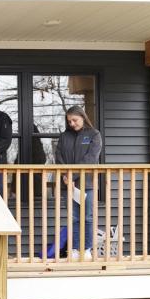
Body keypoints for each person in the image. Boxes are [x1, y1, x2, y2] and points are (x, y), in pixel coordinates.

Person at [56, 105, 102, 261]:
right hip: (68, 185)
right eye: (69, 121)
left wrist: (72, 176)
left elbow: (91, 159)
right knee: (74, 217)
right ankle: (75, 249)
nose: (72, 124)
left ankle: (87, 249)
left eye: (74, 120)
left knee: (87, 217)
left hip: (86, 184)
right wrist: (65, 176)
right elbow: (59, 158)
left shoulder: (94, 135)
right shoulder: (64, 137)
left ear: (82, 117)